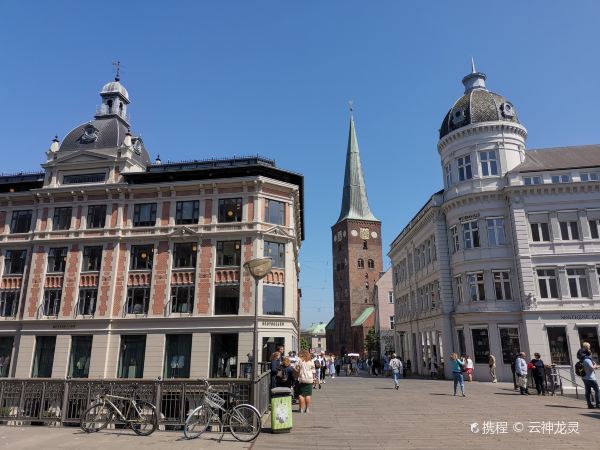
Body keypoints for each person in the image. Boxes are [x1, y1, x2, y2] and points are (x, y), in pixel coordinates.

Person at [581, 344, 600, 409]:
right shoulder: (587, 360)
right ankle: (598, 404)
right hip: (591, 378)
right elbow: (592, 368)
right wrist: (596, 365)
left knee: (587, 391)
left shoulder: (583, 360)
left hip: (585, 378)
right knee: (597, 390)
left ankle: (589, 404)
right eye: (590, 353)